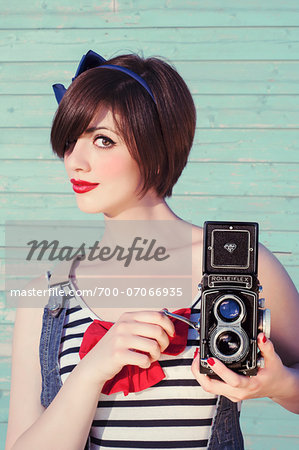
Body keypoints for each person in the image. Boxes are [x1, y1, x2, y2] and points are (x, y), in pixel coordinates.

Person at [5, 50, 299, 450]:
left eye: (103, 141)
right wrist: (91, 371)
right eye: (71, 141)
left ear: (156, 147)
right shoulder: (45, 294)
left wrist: (281, 385)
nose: (75, 161)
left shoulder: (242, 263)